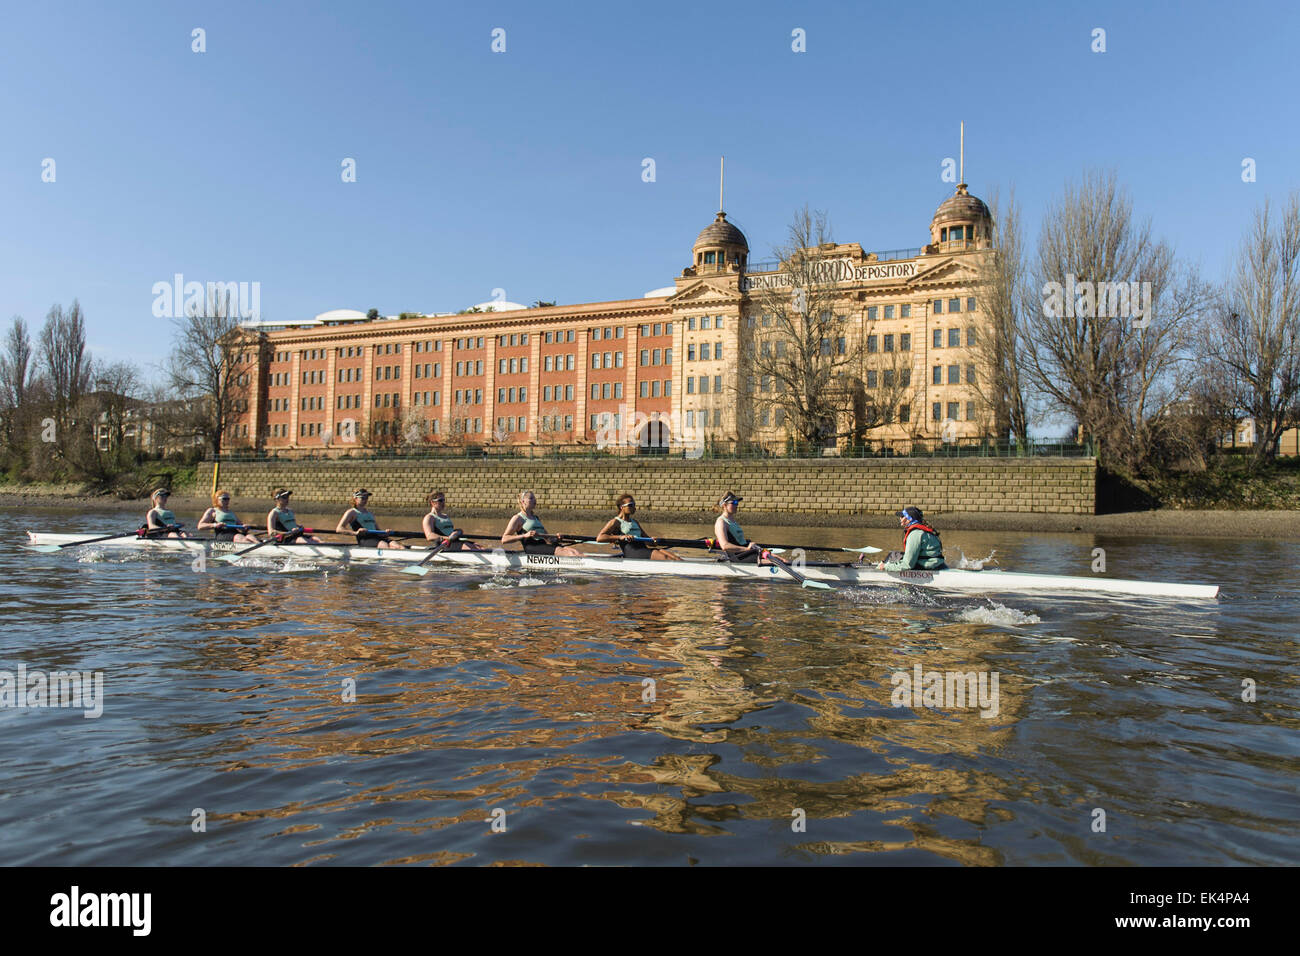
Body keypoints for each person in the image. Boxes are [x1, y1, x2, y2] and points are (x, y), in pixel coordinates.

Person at [596, 493, 679, 560]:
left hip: (643, 550)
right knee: (665, 558)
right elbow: (600, 538)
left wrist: (653, 541)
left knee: (676, 558)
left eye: (634, 505)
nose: (634, 507)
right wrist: (620, 537)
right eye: (630, 505)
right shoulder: (615, 522)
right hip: (632, 552)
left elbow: (647, 541)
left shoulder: (635, 522)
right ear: (622, 507)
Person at [501, 490, 584, 556]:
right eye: (531, 498)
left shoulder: (536, 518)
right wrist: (524, 535)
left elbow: (548, 539)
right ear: (523, 502)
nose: (534, 500)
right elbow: (504, 539)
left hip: (543, 546)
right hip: (532, 548)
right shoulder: (517, 518)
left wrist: (557, 538)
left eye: (534, 498)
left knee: (573, 551)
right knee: (568, 553)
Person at [878, 507, 947, 571]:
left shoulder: (915, 534)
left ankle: (880, 567)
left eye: (902, 516)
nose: (900, 518)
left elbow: (907, 565)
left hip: (928, 567)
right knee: (895, 554)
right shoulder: (923, 530)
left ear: (909, 519)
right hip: (937, 564)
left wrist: (886, 567)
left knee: (892, 556)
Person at [337, 489, 407, 549]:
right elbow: (339, 529)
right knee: (384, 545)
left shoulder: (369, 513)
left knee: (399, 546)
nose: (365, 500)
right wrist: (355, 533)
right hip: (365, 540)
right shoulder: (351, 512)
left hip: (377, 538)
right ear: (355, 499)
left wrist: (385, 533)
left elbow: (378, 531)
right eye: (362, 498)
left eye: (366, 498)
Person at [712, 491, 766, 563]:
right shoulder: (721, 522)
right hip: (737, 556)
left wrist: (747, 543)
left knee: (778, 558)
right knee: (773, 561)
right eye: (733, 503)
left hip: (744, 553)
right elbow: (725, 546)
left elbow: (737, 541)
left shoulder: (732, 521)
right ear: (724, 505)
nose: (736, 505)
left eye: (737, 503)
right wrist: (747, 549)